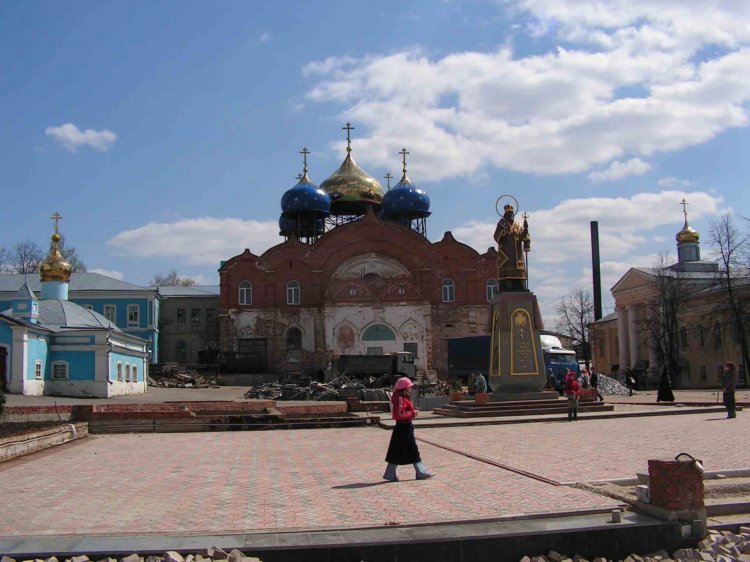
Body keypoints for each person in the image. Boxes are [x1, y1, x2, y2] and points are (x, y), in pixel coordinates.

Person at [383, 377, 435, 481]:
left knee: (408, 449)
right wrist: (413, 413)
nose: (410, 389)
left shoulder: (401, 397)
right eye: (409, 387)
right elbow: (400, 413)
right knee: (402, 449)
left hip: (405, 426)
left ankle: (419, 471)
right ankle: (418, 471)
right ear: (404, 388)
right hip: (403, 427)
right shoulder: (400, 398)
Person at [493, 203, 530, 291]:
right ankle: (506, 287)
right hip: (506, 253)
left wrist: (526, 236)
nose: (511, 215)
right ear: (505, 214)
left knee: (519, 270)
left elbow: (523, 237)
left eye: (512, 214)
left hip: (517, 253)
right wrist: (503, 232)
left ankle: (520, 286)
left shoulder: (518, 224)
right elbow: (496, 236)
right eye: (509, 214)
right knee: (507, 272)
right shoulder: (502, 223)